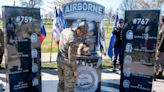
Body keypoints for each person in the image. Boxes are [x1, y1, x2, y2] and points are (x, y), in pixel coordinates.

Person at [56, 21, 88, 92]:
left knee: (61, 84)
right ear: (78, 29)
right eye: (82, 33)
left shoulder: (65, 31)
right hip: (67, 65)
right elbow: (72, 57)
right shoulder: (73, 39)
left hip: (59, 61)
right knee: (69, 87)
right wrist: (74, 71)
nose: (81, 35)